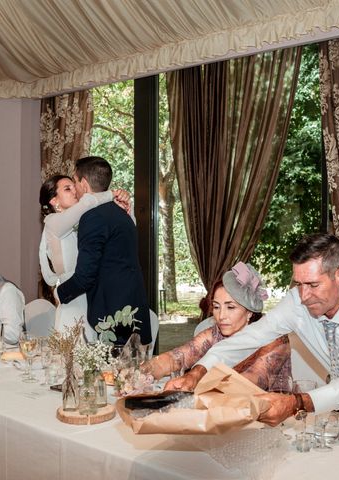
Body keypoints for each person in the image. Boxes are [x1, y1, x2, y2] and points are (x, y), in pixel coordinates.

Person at [166, 233, 339, 431]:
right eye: (299, 284)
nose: (304, 296)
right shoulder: (297, 302)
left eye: (313, 285)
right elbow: (249, 338)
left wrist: (297, 403)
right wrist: (198, 372)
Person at [143, 262, 291, 390]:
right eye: (216, 306)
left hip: (271, 418)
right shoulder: (215, 334)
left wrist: (194, 378)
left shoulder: (274, 339)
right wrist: (140, 372)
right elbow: (176, 357)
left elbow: (251, 382)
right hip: (219, 412)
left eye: (230, 307)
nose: (221, 316)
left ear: (250, 312)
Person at [53, 156, 151, 346]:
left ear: (83, 183)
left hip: (114, 317)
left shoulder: (92, 217)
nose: (74, 187)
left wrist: (59, 293)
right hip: (134, 306)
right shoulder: (121, 214)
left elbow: (85, 276)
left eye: (74, 181)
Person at [38, 174, 131, 340]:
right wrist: (113, 194)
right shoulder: (53, 222)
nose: (75, 191)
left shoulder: (87, 220)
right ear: (54, 201)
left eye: (74, 186)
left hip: (94, 295)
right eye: (68, 188)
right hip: (73, 295)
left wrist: (122, 204)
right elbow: (87, 202)